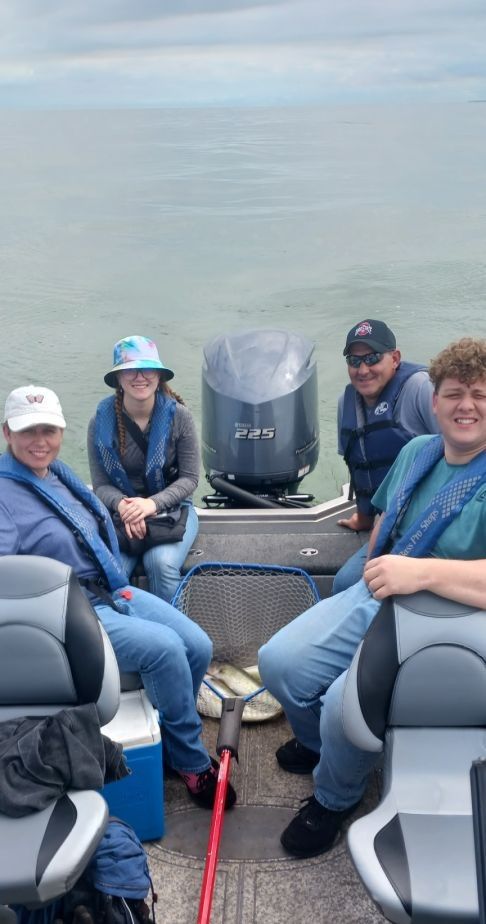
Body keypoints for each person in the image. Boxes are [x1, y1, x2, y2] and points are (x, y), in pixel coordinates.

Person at [259, 337, 486, 858]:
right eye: (454, 394)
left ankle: (336, 795)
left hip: (454, 618)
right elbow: (386, 513)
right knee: (279, 664)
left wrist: (422, 572)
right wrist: (372, 565)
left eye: (479, 394)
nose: (465, 406)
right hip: (385, 588)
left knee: (345, 703)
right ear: (435, 402)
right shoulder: (417, 452)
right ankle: (326, 749)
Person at [0, 384, 235, 810]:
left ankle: (169, 733)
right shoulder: (4, 494)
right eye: (28, 431)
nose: (40, 441)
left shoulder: (55, 476)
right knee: (164, 650)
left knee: (197, 644)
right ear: (7, 433)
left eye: (49, 430)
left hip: (110, 588)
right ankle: (188, 760)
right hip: (68, 609)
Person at [87, 335, 199, 603]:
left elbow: (190, 478)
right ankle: (121, 636)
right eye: (129, 370)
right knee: (111, 567)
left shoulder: (180, 417)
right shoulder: (99, 422)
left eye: (147, 369)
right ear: (118, 379)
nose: (139, 377)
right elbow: (101, 485)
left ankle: (174, 637)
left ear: (159, 376)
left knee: (161, 564)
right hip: (120, 513)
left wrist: (151, 505)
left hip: (173, 509)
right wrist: (125, 507)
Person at [333, 318, 439, 594]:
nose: (363, 369)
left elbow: (462, 447)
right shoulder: (346, 403)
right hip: (389, 524)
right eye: (354, 361)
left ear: (395, 358)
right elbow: (361, 467)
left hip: (433, 521)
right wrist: (363, 517)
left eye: (372, 358)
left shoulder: (419, 388)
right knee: (344, 584)